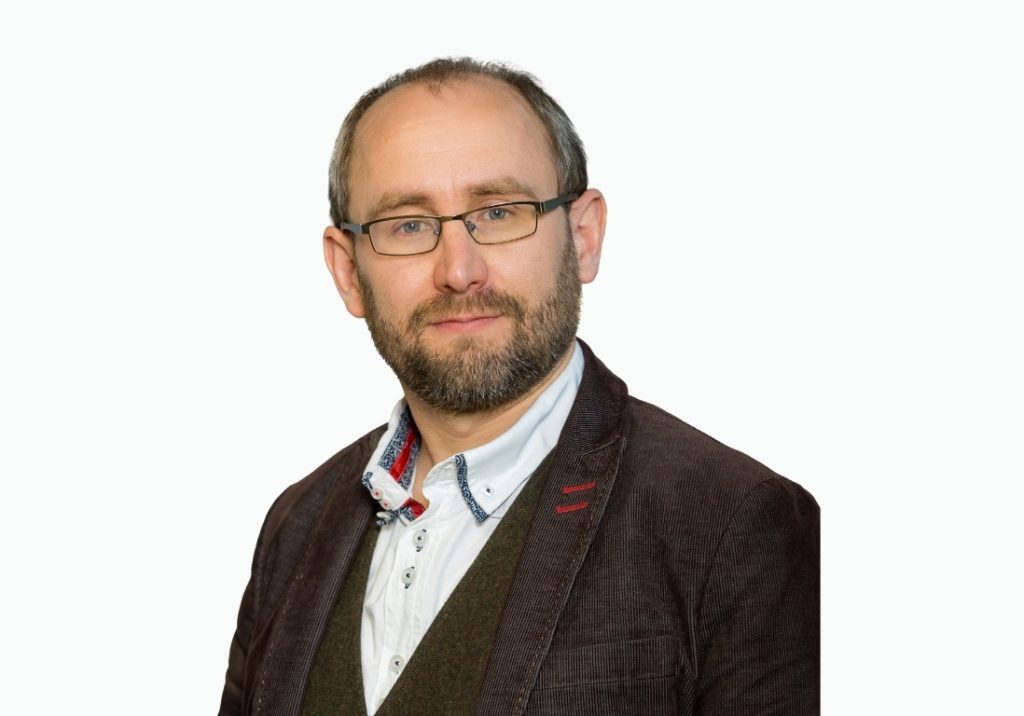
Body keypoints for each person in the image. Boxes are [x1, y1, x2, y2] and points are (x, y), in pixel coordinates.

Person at [219, 57, 819, 716]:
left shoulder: (736, 522)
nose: (459, 270)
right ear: (348, 272)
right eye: (409, 225)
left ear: (584, 237)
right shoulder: (295, 526)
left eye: (500, 211)